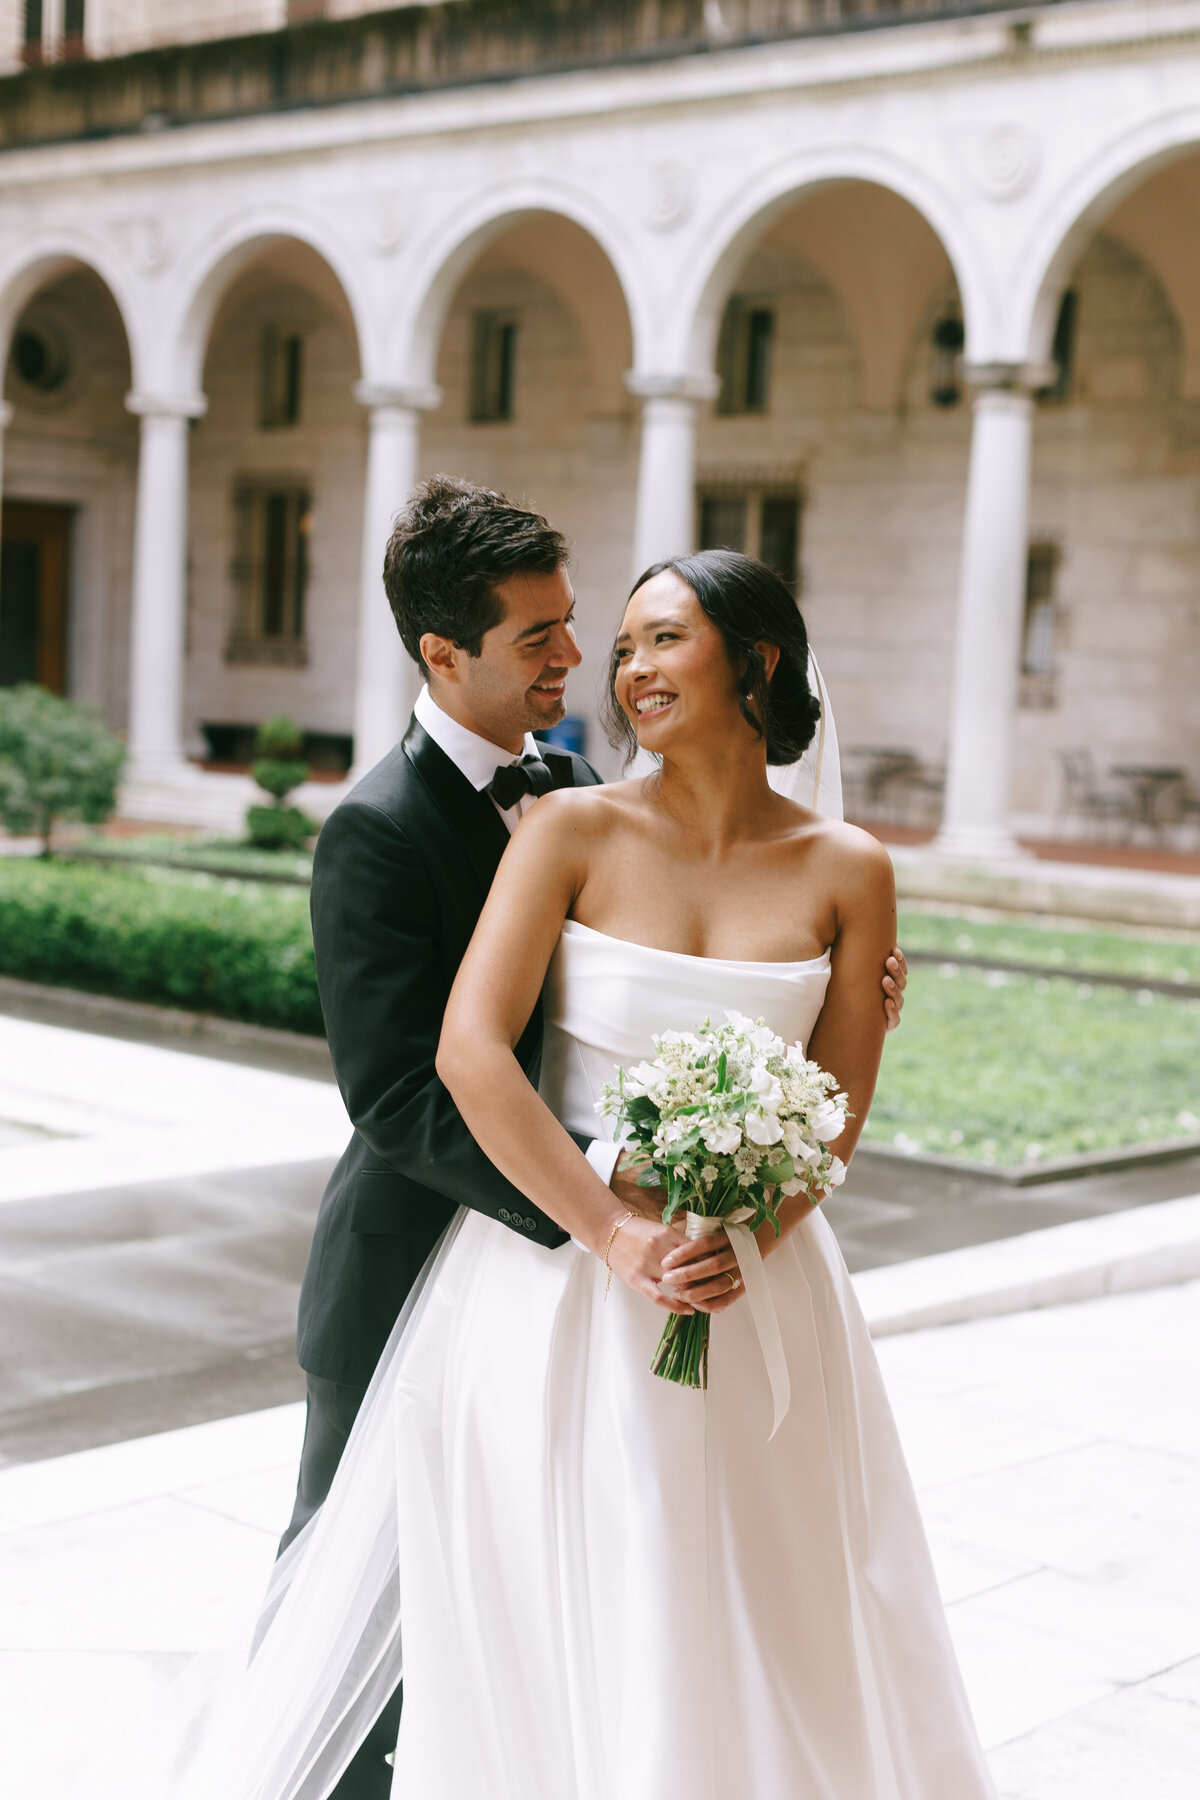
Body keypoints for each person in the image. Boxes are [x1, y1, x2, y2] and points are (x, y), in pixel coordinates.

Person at [272, 485, 907, 1800]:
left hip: (716, 1266)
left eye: (602, 634)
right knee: (362, 1599)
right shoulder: (383, 829)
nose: (589, 664)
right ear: (446, 656)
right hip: (437, 1256)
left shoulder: (570, 786)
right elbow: (406, 1087)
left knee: (689, 1592)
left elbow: (812, 1076)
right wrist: (608, 1220)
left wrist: (814, 1039)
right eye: (553, 639)